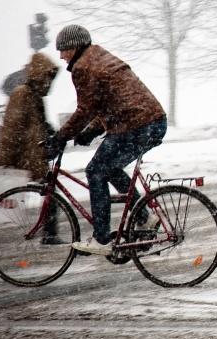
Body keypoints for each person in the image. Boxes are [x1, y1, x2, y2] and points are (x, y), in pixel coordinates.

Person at [45, 25, 167, 256]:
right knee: (108, 168)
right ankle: (145, 216)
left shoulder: (83, 66)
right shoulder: (99, 57)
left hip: (136, 125)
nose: (61, 56)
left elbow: (85, 109)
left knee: (95, 171)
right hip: (151, 121)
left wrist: (60, 137)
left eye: (63, 50)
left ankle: (102, 239)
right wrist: (90, 131)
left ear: (75, 47)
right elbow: (110, 102)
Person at [0, 53, 60, 245]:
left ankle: (50, 234)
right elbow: (11, 129)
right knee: (2, 192)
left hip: (33, 154)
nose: (50, 82)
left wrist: (57, 136)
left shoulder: (35, 96)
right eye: (48, 77)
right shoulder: (22, 94)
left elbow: (41, 124)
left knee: (48, 191)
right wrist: (5, 161)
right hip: (22, 156)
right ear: (40, 75)